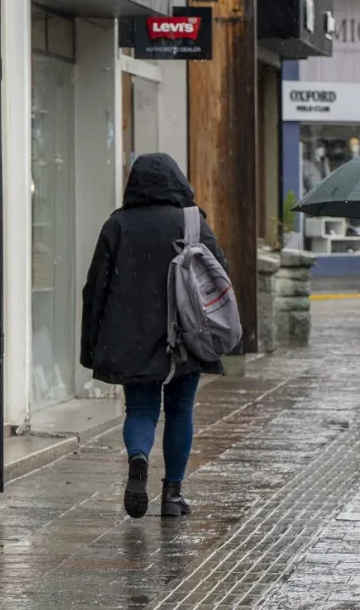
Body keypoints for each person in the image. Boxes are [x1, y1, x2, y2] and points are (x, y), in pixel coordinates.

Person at [81, 153, 229, 518]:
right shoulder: (191, 221)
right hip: (185, 332)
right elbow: (219, 272)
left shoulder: (117, 225)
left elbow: (95, 288)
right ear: (178, 180)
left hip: (131, 334)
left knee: (142, 410)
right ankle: (172, 496)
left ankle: (138, 459)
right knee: (180, 410)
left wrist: (92, 345)